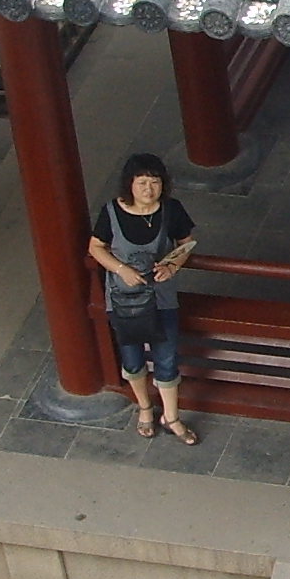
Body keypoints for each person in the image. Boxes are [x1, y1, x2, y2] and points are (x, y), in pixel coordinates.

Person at [87, 152, 198, 444]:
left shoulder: (171, 209)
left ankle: (171, 417)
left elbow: (186, 243)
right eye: (142, 183)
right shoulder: (112, 211)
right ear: (130, 184)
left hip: (161, 297)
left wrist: (172, 265)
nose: (149, 189)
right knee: (132, 358)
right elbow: (96, 247)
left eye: (155, 182)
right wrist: (121, 269)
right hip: (125, 299)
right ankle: (145, 407)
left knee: (166, 356)